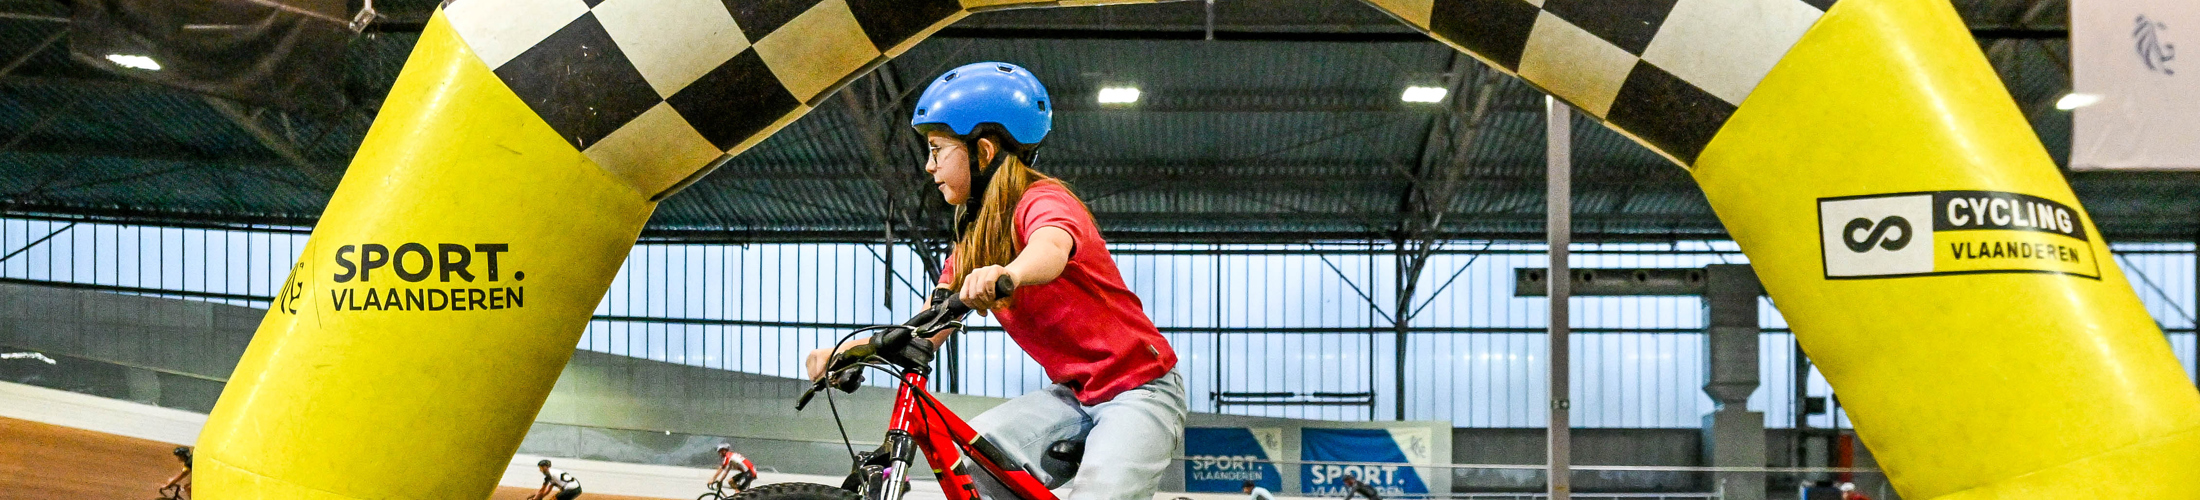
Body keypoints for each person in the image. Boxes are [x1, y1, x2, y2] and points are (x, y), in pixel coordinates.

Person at [804, 61, 1186, 500]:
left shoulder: (1042, 199)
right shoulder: (974, 237)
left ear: (982, 151)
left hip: (1140, 390)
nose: (929, 166)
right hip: (1073, 396)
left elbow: (1051, 248)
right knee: (972, 468)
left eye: (936, 149)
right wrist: (851, 349)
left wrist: (1011, 273)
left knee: (1100, 493)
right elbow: (929, 324)